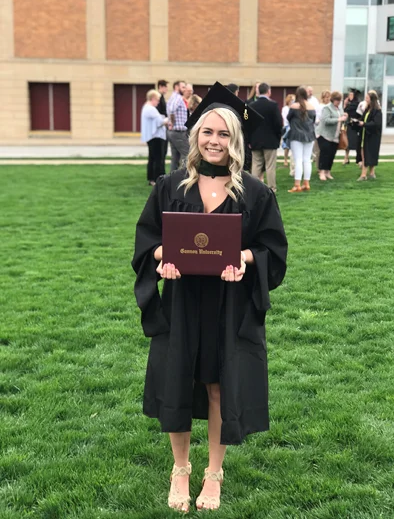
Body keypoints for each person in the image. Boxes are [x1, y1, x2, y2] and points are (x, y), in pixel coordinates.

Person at [132, 82, 288, 513]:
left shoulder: (255, 194)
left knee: (221, 384)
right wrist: (163, 258)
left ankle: (213, 474)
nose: (214, 141)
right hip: (181, 300)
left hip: (229, 302)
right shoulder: (170, 186)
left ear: (235, 140)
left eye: (224, 134)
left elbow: (273, 250)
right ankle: (180, 469)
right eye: (207, 133)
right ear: (195, 136)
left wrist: (245, 260)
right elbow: (148, 241)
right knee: (177, 380)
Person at [249, 83, 283, 192]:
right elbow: (278, 123)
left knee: (256, 165)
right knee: (270, 166)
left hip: (255, 140)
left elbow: (247, 123)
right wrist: (278, 137)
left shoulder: (251, 106)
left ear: (258, 91)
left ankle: (253, 187)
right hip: (270, 140)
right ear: (269, 92)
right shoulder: (273, 105)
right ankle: (272, 188)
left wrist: (249, 139)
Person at [287, 86, 316, 192]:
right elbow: (313, 120)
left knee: (298, 160)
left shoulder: (294, 106)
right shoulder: (311, 106)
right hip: (310, 135)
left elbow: (288, 118)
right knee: (307, 160)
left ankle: (297, 185)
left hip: (296, 135)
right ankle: (306, 183)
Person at [315, 91, 347, 182]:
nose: (339, 102)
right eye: (337, 100)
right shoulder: (327, 108)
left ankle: (328, 172)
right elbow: (325, 120)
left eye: (340, 100)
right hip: (324, 135)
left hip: (335, 136)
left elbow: (341, 118)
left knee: (331, 155)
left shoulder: (339, 109)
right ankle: (322, 172)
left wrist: (344, 117)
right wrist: (339, 119)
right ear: (333, 99)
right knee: (324, 154)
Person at [140, 89, 169, 185]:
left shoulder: (146, 107)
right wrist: (169, 119)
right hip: (155, 137)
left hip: (152, 137)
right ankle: (157, 178)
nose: (158, 102)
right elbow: (159, 121)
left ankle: (152, 178)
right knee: (158, 159)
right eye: (157, 100)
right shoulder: (150, 109)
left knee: (152, 158)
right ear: (152, 98)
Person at [356, 90, 382, 181]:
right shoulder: (367, 110)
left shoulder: (377, 111)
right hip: (365, 136)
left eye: (367, 98)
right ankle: (371, 173)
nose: (365, 99)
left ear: (372, 99)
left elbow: (376, 124)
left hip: (372, 137)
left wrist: (364, 124)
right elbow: (363, 119)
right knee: (365, 155)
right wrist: (356, 122)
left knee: (368, 155)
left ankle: (364, 175)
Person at [167, 80, 190, 172]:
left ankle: (172, 179)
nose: (185, 89)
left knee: (175, 158)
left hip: (173, 132)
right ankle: (185, 177)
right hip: (179, 132)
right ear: (177, 87)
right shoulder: (178, 97)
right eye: (183, 87)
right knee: (187, 155)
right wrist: (172, 122)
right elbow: (172, 110)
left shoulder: (172, 97)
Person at [343, 88, 362, 165]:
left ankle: (358, 159)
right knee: (347, 142)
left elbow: (346, 111)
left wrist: (345, 104)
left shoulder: (355, 104)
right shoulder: (352, 103)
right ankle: (346, 158)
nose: (348, 96)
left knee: (356, 143)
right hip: (350, 125)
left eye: (350, 94)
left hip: (355, 126)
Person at [314, 90, 331, 175]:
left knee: (327, 151)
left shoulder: (331, 107)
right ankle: (319, 167)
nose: (327, 99)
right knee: (319, 151)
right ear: (323, 98)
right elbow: (316, 118)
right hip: (320, 131)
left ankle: (326, 168)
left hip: (328, 131)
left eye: (329, 97)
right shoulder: (319, 106)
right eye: (326, 97)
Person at [157, 80, 169, 173]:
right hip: (160, 129)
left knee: (162, 153)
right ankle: (160, 174)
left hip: (163, 128)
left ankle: (161, 173)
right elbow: (160, 114)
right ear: (161, 87)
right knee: (160, 154)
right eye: (165, 87)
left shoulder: (161, 98)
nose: (167, 89)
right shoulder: (158, 98)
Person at [281, 93, 295, 169]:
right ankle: (285, 159)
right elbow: (286, 118)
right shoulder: (285, 108)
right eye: (291, 100)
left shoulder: (295, 108)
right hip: (288, 127)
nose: (292, 101)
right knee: (286, 145)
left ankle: (292, 160)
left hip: (294, 127)